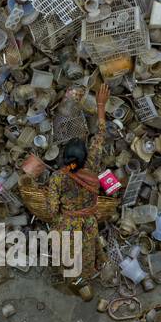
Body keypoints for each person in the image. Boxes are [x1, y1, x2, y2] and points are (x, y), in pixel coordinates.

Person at [44, 83, 112, 280]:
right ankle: (86, 276)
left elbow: (52, 209)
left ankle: (66, 274)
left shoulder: (58, 177)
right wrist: (100, 105)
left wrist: (61, 216)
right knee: (88, 251)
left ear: (65, 158)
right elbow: (100, 135)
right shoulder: (92, 165)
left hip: (66, 223)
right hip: (88, 222)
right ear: (85, 157)